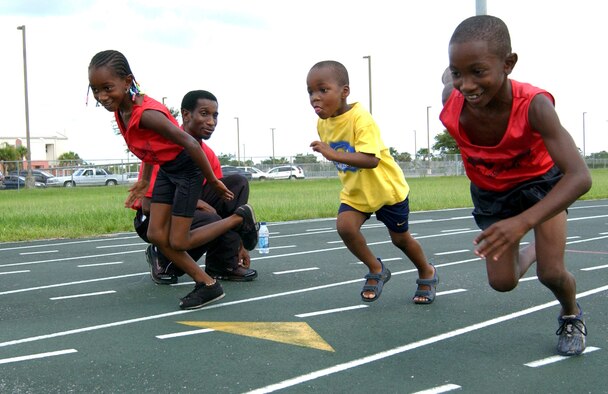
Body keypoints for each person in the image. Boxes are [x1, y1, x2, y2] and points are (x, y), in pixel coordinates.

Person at [440, 15, 592, 355]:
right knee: (503, 283)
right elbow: (453, 81)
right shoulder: (451, 99)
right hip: (492, 196)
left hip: (541, 187)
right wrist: (509, 223)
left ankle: (571, 314)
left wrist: (523, 222)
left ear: (508, 64)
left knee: (551, 273)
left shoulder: (535, 106)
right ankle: (538, 245)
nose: (466, 85)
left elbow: (580, 176)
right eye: (457, 73)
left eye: (478, 71)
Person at [88, 50, 258, 310]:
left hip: (187, 170)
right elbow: (148, 148)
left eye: (107, 87)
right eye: (95, 89)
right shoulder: (122, 110)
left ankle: (239, 218)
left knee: (179, 240)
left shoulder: (146, 113)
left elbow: (190, 143)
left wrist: (211, 180)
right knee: (157, 234)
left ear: (127, 81)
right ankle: (207, 284)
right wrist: (145, 181)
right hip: (168, 170)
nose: (102, 96)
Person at [307, 60, 437, 304]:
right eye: (310, 92)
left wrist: (331, 153)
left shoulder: (361, 119)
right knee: (345, 228)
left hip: (386, 191)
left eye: (323, 90)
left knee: (400, 239)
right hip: (356, 193)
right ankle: (376, 268)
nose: (315, 97)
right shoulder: (322, 123)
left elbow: (370, 160)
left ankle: (426, 272)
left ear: (344, 91)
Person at [133, 90, 257, 284]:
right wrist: (197, 204)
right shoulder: (165, 149)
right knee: (210, 218)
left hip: (187, 210)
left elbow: (223, 201)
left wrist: (240, 245)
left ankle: (223, 264)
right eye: (204, 113)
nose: (211, 122)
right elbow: (147, 205)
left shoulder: (208, 155)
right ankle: (164, 259)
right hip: (153, 219)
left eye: (215, 116)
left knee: (237, 184)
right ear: (186, 114)